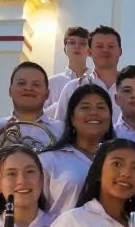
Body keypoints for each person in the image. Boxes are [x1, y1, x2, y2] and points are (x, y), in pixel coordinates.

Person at [42, 84, 114, 216]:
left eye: (101, 107)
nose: (94, 113)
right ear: (72, 118)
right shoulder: (48, 161)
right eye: (85, 107)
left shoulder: (122, 161)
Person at [48, 25, 121, 123]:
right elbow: (60, 126)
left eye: (111, 46)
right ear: (89, 52)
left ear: (120, 51)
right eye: (99, 46)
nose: (105, 50)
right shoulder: (72, 87)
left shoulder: (133, 88)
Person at [0, 62, 64, 143]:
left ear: (47, 94)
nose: (28, 88)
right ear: (10, 91)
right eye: (21, 83)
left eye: (36, 84)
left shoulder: (62, 132)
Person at [43, 26, 90, 117]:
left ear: (89, 50)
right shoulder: (52, 82)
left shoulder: (96, 80)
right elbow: (40, 116)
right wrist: (64, 100)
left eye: (83, 43)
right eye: (72, 42)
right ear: (65, 49)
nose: (77, 46)